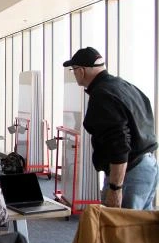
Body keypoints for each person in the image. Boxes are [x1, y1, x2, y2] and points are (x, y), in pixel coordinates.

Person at [63, 47, 158, 210]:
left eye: (73, 70)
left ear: (81, 71)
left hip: (130, 173)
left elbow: (119, 144)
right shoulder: (124, 86)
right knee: (140, 229)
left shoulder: (101, 95)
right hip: (148, 166)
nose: (74, 74)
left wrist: (115, 188)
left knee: (120, 230)